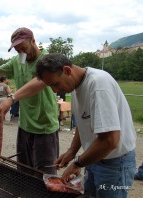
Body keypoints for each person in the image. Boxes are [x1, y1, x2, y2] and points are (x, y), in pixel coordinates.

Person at [35, 53, 136, 198]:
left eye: (55, 84)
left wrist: (77, 163)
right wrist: (72, 151)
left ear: (67, 71)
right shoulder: (76, 86)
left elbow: (110, 140)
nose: (55, 91)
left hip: (114, 163)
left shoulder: (98, 85)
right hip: (94, 157)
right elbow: (83, 123)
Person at [0, 27, 59, 175]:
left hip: (44, 129)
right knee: (23, 173)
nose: (21, 53)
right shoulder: (17, 61)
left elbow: (40, 82)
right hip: (25, 127)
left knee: (45, 176)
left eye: (23, 48)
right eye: (18, 50)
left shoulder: (47, 60)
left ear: (33, 41)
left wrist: (10, 99)